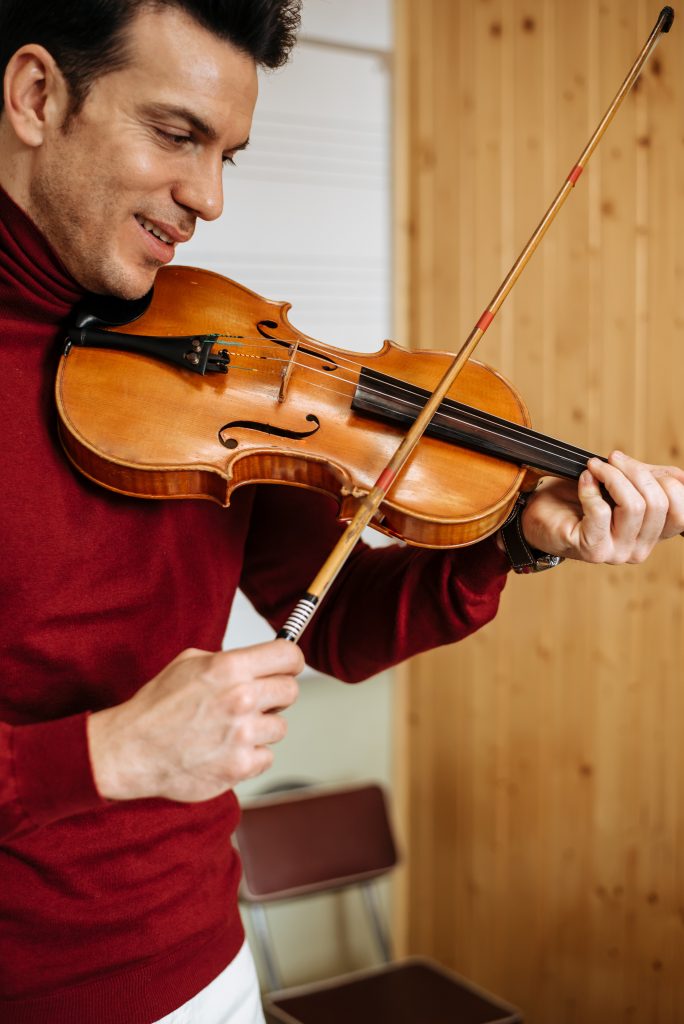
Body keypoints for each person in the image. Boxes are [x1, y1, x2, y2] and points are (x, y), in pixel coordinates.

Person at [1, 2, 683, 1022]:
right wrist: (107, 753)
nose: (209, 199)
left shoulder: (204, 341)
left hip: (207, 966)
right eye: (176, 134)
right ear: (38, 96)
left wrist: (516, 538)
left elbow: (342, 624)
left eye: (229, 153)